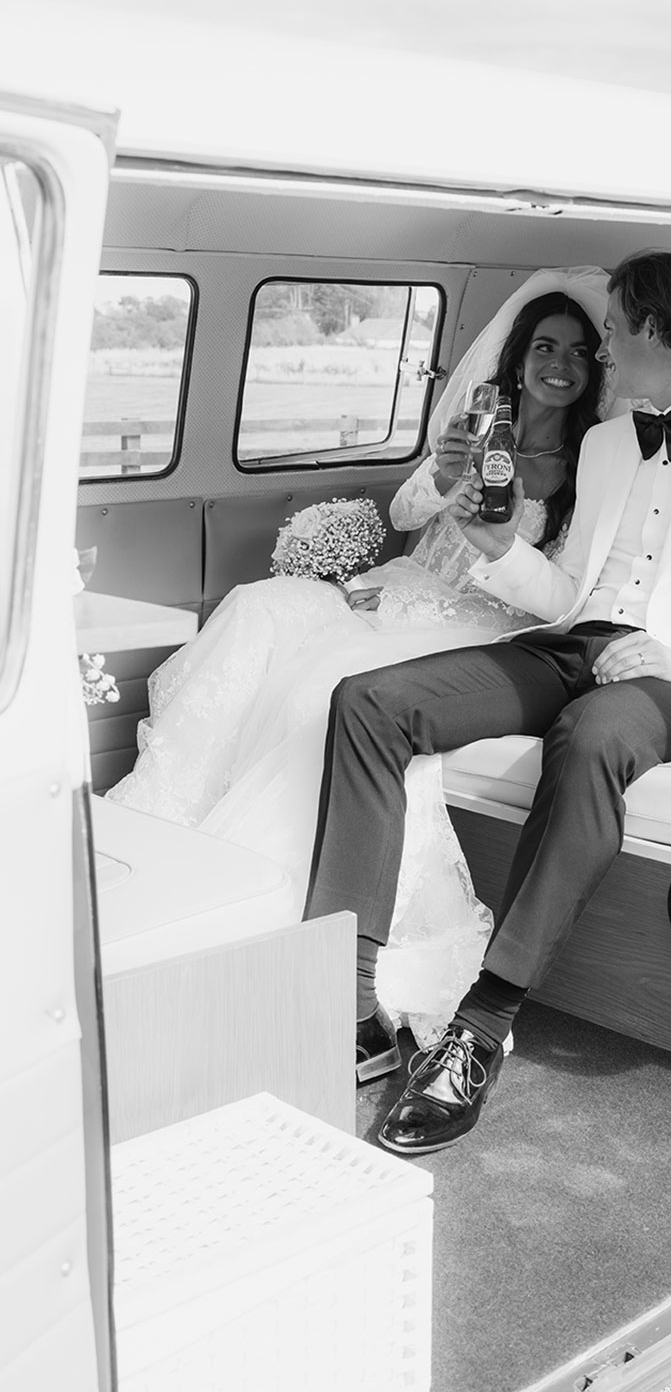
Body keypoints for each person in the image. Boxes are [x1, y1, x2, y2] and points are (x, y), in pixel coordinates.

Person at [303, 250, 671, 1153]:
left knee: (592, 735)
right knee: (369, 699)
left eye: (614, 329)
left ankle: (481, 1026)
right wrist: (496, 542)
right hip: (576, 644)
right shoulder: (603, 442)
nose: (603, 345)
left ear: (660, 331)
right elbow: (566, 593)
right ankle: (350, 1006)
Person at [106, 266, 612, 1052]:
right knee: (261, 604)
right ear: (517, 359)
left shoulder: (590, 469)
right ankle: (167, 825)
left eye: (579, 353)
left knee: (326, 680)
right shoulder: (478, 433)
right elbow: (407, 513)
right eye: (545, 346)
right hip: (398, 590)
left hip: (476, 626)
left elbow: (561, 597)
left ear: (592, 372)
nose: (560, 363)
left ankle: (300, 924)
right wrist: (444, 474)